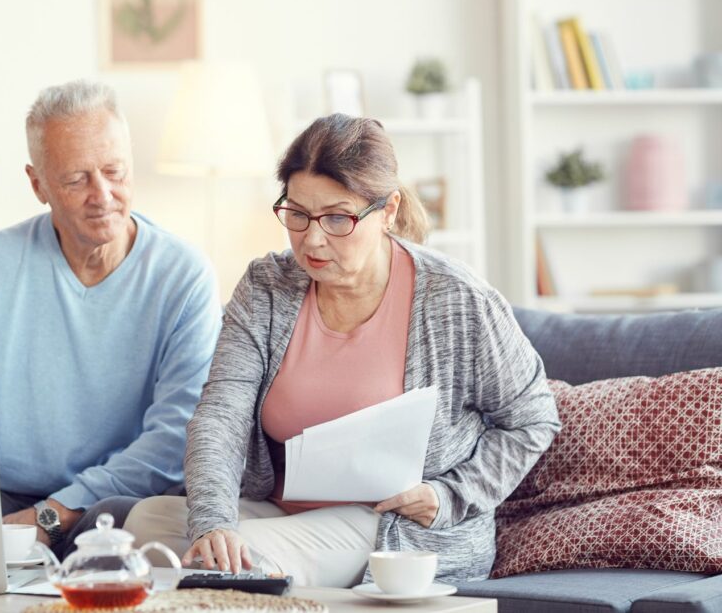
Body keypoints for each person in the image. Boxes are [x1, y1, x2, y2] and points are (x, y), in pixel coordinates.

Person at [125, 114, 561, 586]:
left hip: (393, 525)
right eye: (297, 214)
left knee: (243, 560)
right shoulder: (266, 286)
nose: (312, 239)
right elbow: (221, 415)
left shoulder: (456, 299)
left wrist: (450, 495)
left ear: (388, 210)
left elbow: (534, 418)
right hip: (282, 511)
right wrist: (213, 522)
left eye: (337, 217)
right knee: (145, 525)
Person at [0, 79, 221, 557]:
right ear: (38, 184)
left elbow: (176, 436)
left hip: (120, 503)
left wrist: (51, 516)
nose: (102, 194)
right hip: (5, 498)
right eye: (75, 179)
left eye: (115, 171)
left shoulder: (184, 275)